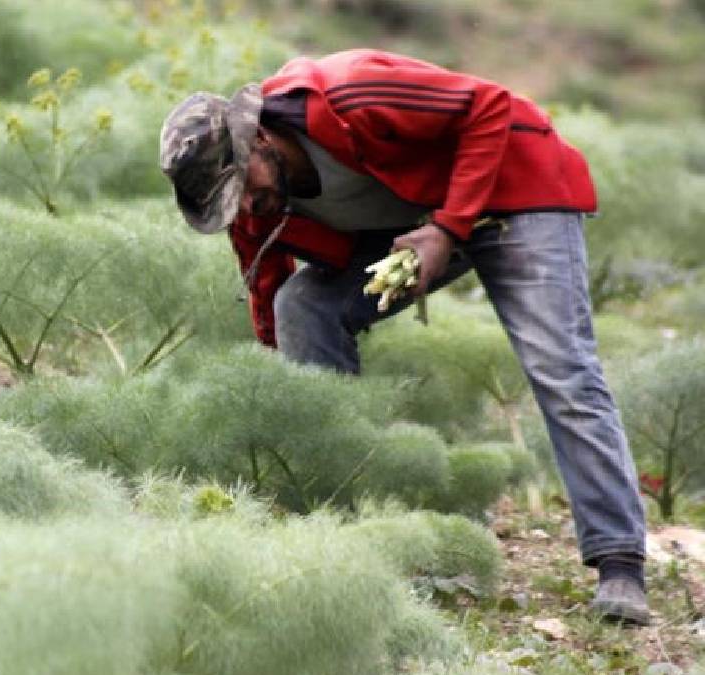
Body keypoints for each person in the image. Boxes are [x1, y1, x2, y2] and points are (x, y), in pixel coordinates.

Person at [159, 48, 649, 624]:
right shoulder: (256, 210)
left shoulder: (346, 94)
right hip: (417, 225)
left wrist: (447, 226)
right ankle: (345, 528)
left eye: (243, 185)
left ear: (260, 140)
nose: (245, 206)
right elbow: (268, 296)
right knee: (304, 306)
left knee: (560, 369)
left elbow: (489, 106)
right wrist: (289, 410)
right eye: (228, 203)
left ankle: (619, 561)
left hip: (514, 195)